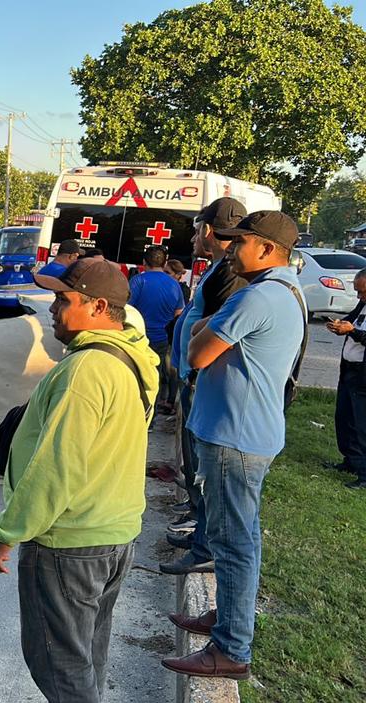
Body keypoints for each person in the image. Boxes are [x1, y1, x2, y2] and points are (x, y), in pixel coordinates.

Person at [0, 257, 159, 703]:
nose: (53, 309)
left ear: (99, 306)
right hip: (113, 534)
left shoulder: (85, 371)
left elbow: (56, 467)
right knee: (84, 661)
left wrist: (7, 532)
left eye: (64, 299)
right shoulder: (132, 357)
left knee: (61, 669)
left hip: (69, 544)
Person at [162, 210, 305, 681]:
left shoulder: (258, 296)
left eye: (240, 242)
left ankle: (230, 648)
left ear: (266, 248)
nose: (231, 249)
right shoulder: (279, 291)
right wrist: (205, 327)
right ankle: (226, 621)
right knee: (236, 539)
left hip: (234, 437)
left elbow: (196, 351)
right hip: (242, 432)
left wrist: (201, 325)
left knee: (234, 542)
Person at [160, 198, 249, 574]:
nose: (194, 236)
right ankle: (198, 522)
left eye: (197, 229)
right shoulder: (216, 267)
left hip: (202, 381)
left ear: (209, 231)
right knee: (194, 457)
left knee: (206, 466)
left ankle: (204, 541)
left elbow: (220, 328)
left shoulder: (231, 272)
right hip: (190, 375)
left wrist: (194, 367)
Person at [129, 246, 184, 413]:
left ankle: (136, 413)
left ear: (144, 262)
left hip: (138, 338)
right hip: (162, 339)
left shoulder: (138, 281)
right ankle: (150, 416)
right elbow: (178, 313)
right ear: (164, 262)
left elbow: (127, 309)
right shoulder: (175, 285)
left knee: (136, 377)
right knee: (156, 377)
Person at [326, 268, 366, 489]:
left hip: (363, 377)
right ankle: (349, 461)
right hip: (349, 370)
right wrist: (339, 324)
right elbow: (352, 320)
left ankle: (364, 474)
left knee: (361, 425)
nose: (359, 297)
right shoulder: (362, 304)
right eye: (357, 292)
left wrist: (352, 332)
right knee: (345, 418)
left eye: (362, 292)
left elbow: (358, 333)